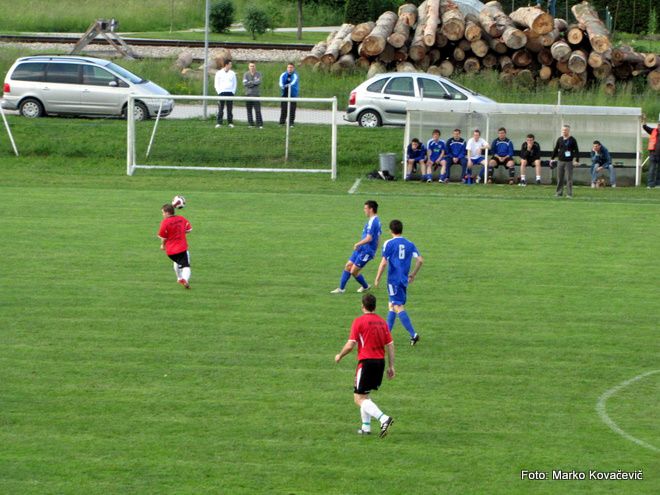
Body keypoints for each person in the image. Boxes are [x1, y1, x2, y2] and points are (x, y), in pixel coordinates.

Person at [335, 293, 395, 438]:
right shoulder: (382, 322)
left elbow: (351, 345)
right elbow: (390, 344)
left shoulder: (359, 322)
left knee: (358, 398)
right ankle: (365, 428)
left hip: (366, 363)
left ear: (363, 306)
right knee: (365, 395)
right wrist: (391, 366)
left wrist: (339, 355)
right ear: (374, 306)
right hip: (380, 363)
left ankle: (383, 418)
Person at [374, 220, 423, 346]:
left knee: (397, 306)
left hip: (393, 280)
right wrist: (413, 274)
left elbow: (384, 262)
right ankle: (386, 336)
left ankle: (414, 334)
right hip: (403, 280)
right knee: (391, 305)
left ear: (391, 231)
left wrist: (377, 278)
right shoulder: (410, 244)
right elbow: (420, 260)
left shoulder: (388, 243)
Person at [331, 200, 381, 294]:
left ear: (371, 209)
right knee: (348, 266)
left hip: (366, 250)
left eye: (365, 208)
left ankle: (365, 286)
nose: (364, 210)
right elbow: (378, 237)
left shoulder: (373, 222)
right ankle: (341, 289)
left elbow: (369, 238)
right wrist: (375, 250)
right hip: (363, 248)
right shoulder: (375, 220)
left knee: (353, 271)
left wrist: (358, 244)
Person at [158, 203, 192, 289]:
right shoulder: (182, 219)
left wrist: (162, 245)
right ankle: (185, 279)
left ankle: (179, 278)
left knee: (177, 261)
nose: (162, 215)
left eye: (163, 212)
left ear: (167, 213)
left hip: (170, 252)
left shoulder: (164, 223)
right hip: (181, 248)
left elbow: (163, 237)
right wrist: (180, 232)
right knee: (186, 266)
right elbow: (189, 230)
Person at [551, 124, 579, 198]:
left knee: (569, 178)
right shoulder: (560, 139)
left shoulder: (572, 140)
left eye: (565, 130)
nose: (564, 131)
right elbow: (556, 149)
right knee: (560, 178)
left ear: (568, 131)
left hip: (569, 162)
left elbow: (576, 150)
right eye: (563, 130)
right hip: (560, 161)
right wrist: (552, 158)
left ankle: (569, 194)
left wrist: (576, 160)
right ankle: (559, 193)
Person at [215, 60, 236, 128]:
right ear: (226, 65)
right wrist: (219, 92)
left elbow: (235, 84)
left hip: (230, 93)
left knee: (230, 109)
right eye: (230, 64)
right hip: (221, 93)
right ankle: (219, 123)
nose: (231, 66)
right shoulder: (219, 73)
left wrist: (233, 92)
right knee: (221, 108)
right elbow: (216, 84)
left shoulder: (232, 73)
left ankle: (230, 123)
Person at [243, 62, 263, 128]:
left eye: (253, 66)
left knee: (257, 110)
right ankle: (251, 124)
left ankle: (259, 124)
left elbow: (258, 82)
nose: (252, 67)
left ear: (255, 67)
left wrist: (250, 82)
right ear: (249, 67)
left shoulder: (258, 74)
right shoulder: (246, 74)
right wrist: (253, 83)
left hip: (256, 94)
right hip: (248, 94)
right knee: (249, 110)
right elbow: (245, 83)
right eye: (251, 66)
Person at [642, 115, 659, 189]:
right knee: (652, 170)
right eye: (659, 125)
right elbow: (645, 127)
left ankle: (658, 184)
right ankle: (650, 184)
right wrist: (644, 119)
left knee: (658, 171)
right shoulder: (653, 131)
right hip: (653, 155)